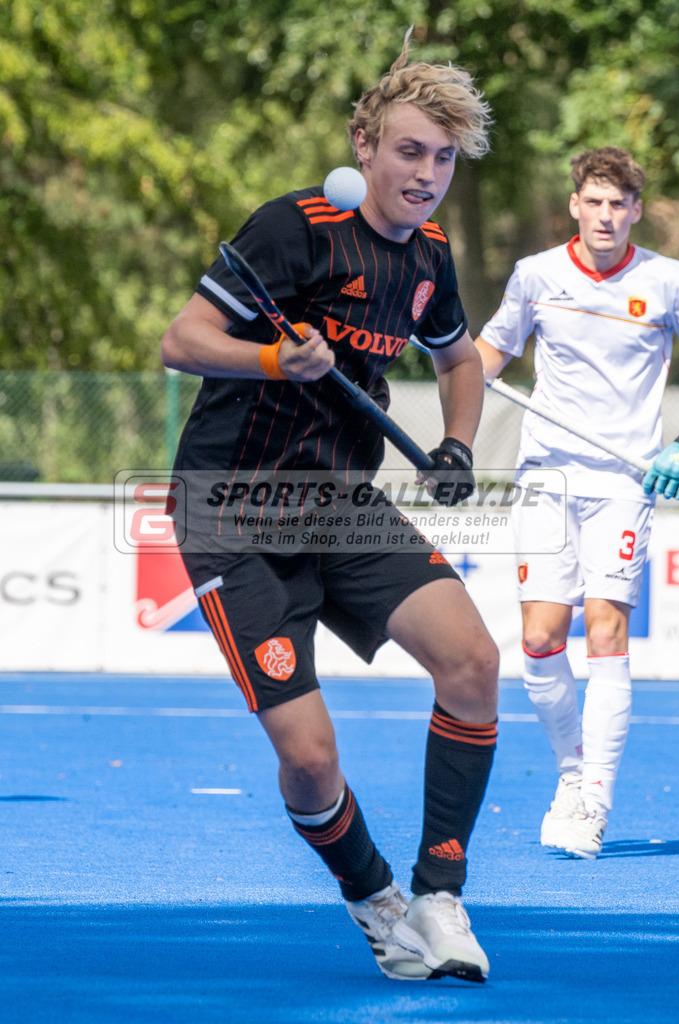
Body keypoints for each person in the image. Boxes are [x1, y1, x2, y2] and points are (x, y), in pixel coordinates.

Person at [161, 30, 499, 982]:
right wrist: (274, 356)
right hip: (231, 509)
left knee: (472, 660)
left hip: (342, 502)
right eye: (408, 150)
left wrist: (459, 444)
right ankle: (376, 901)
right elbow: (180, 340)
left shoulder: (428, 258)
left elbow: (459, 357)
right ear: (365, 145)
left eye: (441, 157)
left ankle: (440, 894)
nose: (426, 173)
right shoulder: (294, 228)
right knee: (309, 759)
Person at [474, 147, 679, 860]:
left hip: (624, 485)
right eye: (594, 201)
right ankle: (570, 773)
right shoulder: (536, 276)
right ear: (575, 204)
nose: (606, 215)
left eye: (619, 204)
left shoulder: (665, 284)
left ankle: (595, 797)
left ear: (635, 210)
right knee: (538, 641)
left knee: (605, 633)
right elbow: (486, 358)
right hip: (546, 477)